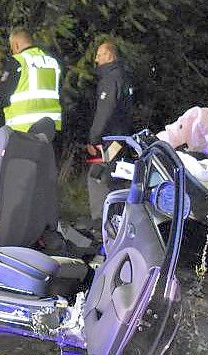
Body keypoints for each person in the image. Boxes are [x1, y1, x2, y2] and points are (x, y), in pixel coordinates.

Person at [85, 40, 134, 221]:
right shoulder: (124, 77)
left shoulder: (110, 79)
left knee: (96, 177)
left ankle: (101, 224)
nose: (96, 59)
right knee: (113, 179)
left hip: (108, 140)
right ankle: (117, 220)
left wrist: (93, 139)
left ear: (109, 55)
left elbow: (104, 112)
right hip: (121, 140)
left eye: (99, 54)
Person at [0, 28, 63, 133]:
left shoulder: (18, 61)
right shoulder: (52, 62)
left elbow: (2, 94)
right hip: (51, 127)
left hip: (23, 127)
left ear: (16, 45)